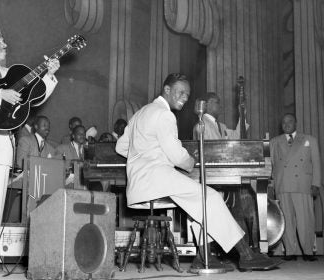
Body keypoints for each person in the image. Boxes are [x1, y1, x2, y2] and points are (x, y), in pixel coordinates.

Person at [115, 73, 280, 271]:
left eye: (188, 94)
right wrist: (190, 162)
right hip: (156, 178)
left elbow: (120, 146)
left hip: (139, 182)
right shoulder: (164, 114)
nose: (185, 97)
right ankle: (246, 255)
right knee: (210, 197)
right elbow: (178, 156)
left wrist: (146, 155)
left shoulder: (141, 112)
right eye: (181, 92)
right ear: (167, 90)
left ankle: (203, 257)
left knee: (198, 206)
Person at [0, 30, 59, 271]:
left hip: (2, 147)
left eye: (5, 40)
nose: (5, 44)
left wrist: (49, 75)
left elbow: (34, 97)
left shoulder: (8, 74)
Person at [193, 92, 259, 250]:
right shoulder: (200, 125)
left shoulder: (221, 127)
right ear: (206, 104)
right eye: (216, 102)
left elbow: (237, 137)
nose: (219, 105)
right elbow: (206, 150)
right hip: (212, 176)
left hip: (224, 175)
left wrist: (242, 114)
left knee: (239, 205)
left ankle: (246, 245)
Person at [270, 113, 321, 261]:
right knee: (286, 220)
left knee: (306, 220)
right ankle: (290, 251)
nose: (286, 124)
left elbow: (316, 164)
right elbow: (270, 165)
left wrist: (316, 183)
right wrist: (271, 184)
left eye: (290, 121)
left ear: (296, 123)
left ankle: (308, 251)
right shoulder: (274, 142)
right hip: (283, 184)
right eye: (284, 122)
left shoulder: (309, 140)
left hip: (303, 185)